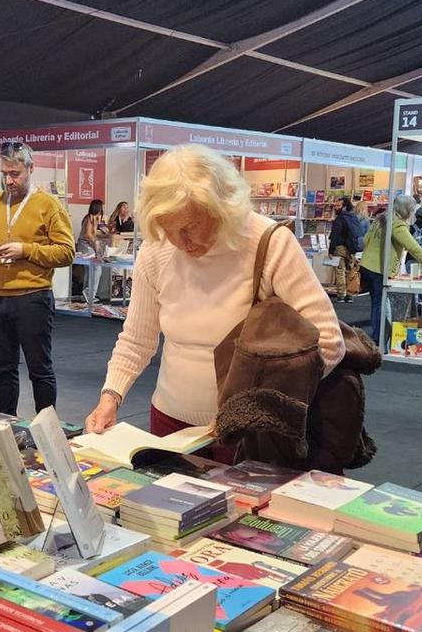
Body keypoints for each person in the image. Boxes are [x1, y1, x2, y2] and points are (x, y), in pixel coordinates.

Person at [83, 144, 344, 438]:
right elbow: (136, 340)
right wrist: (111, 396)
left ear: (223, 209)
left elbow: (329, 343)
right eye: (169, 229)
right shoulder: (156, 251)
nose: (181, 241)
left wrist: (254, 408)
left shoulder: (269, 243)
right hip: (169, 423)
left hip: (253, 433)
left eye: (191, 226)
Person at [0, 141, 75, 416]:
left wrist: (25, 250)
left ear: (31, 168)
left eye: (15, 173)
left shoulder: (48, 205)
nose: (9, 180)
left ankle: (47, 434)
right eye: (4, 173)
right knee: (3, 371)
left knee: (39, 371)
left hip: (32, 298)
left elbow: (66, 252)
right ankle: (6, 426)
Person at [360, 195, 422, 345]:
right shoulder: (397, 225)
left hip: (367, 266)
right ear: (407, 210)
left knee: (375, 303)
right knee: (380, 305)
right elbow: (413, 247)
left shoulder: (380, 219)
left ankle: (377, 336)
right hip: (379, 269)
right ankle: (378, 339)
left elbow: (365, 240)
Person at [328, 196, 361, 303]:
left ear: (344, 206)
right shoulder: (354, 218)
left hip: (340, 247)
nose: (335, 207)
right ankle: (349, 294)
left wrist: (330, 250)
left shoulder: (340, 219)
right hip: (351, 248)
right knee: (349, 271)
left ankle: (341, 294)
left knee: (340, 271)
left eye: (338, 205)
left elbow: (334, 235)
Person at [78, 199, 108, 307]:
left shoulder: (93, 218)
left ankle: (86, 294)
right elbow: (88, 235)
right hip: (86, 247)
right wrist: (96, 246)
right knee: (96, 269)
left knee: (89, 270)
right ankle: (90, 294)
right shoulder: (90, 218)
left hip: (85, 246)